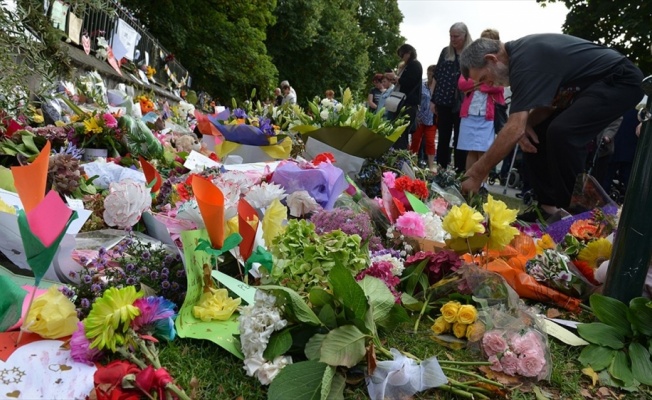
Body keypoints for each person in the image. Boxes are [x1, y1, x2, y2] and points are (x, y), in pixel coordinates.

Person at [459, 34, 644, 221]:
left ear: (492, 59)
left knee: (563, 132)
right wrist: (528, 123)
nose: (488, 85)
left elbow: (513, 128)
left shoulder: (525, 62)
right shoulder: (522, 58)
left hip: (621, 80)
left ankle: (583, 216)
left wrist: (475, 174)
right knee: (536, 131)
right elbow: (548, 107)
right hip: (590, 87)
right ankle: (547, 209)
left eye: (484, 78)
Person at [431, 22, 473, 172]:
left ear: (465, 36)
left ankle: (459, 171)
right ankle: (441, 169)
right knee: (443, 136)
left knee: (460, 139)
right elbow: (437, 75)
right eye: (451, 36)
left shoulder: (471, 53)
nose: (453, 39)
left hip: (462, 102)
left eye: (456, 36)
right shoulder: (445, 52)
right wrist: (432, 99)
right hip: (443, 99)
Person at [456, 72, 504, 173]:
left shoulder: (494, 68)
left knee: (483, 151)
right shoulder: (470, 66)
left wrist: (479, 87)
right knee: (471, 150)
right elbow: (462, 84)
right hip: (469, 114)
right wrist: (484, 82)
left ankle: (482, 185)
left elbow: (499, 86)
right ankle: (468, 181)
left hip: (487, 116)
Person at [393, 44, 423, 150]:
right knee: (399, 132)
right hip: (405, 102)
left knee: (402, 132)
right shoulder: (409, 66)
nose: (401, 58)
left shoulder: (414, 65)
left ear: (408, 53)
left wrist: (398, 79)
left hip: (408, 102)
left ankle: (400, 154)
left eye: (402, 55)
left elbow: (410, 81)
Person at [410, 64, 437, 169]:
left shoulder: (438, 87)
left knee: (430, 142)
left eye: (432, 73)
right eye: (428, 72)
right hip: (420, 118)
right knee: (416, 140)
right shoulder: (421, 85)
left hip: (432, 119)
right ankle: (412, 163)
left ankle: (431, 166)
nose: (429, 75)